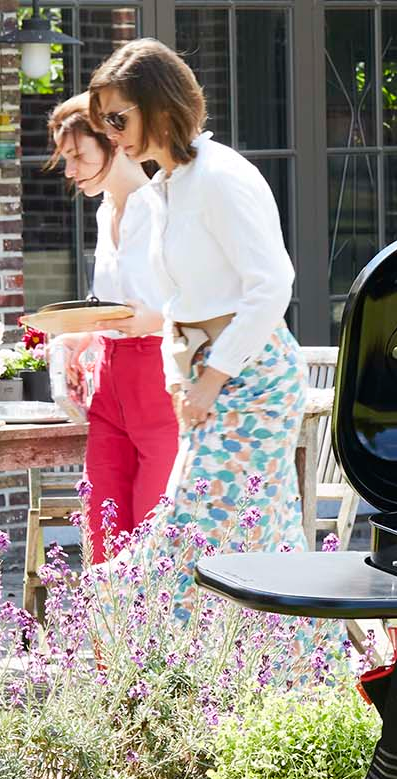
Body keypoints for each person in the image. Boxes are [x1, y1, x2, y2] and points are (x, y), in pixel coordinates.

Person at [89, 40, 330, 633]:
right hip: (206, 378)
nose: (112, 135)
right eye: (105, 123)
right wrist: (179, 376)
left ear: (158, 104)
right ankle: (293, 674)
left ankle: (145, 651)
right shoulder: (165, 188)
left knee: (194, 535)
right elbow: (176, 300)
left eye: (118, 119)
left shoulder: (223, 176)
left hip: (254, 380)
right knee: (258, 543)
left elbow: (272, 286)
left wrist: (213, 377)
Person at [42, 93, 176, 561]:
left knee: (153, 536)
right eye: (66, 158)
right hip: (109, 384)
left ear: (115, 144)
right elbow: (115, 308)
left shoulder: (162, 208)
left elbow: (199, 301)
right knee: (102, 529)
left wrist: (152, 319)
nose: (70, 170)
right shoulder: (104, 212)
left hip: (159, 381)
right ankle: (102, 616)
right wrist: (81, 336)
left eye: (79, 156)